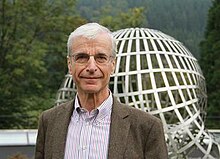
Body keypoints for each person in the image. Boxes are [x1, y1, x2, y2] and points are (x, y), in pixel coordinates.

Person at [35, 23, 168, 159]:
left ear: (113, 65)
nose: (91, 67)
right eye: (82, 57)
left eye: (101, 58)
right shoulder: (49, 122)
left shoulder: (146, 128)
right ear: (70, 64)